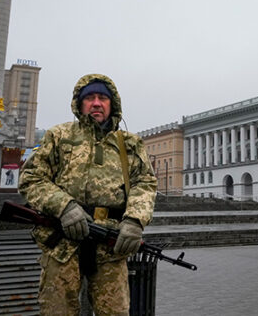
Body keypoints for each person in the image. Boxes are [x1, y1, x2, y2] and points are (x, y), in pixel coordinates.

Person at [19, 74, 157, 315]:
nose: (96, 103)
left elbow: (144, 183)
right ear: (79, 104)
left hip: (110, 247)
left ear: (112, 103)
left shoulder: (130, 143)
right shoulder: (59, 136)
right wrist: (65, 207)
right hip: (62, 244)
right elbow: (30, 178)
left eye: (102, 97)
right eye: (89, 98)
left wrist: (135, 221)